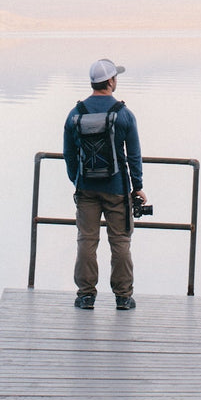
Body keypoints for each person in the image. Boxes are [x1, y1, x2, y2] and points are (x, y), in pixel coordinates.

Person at [63, 58, 149, 310]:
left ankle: (86, 295)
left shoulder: (75, 113)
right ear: (110, 81)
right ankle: (123, 297)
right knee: (120, 242)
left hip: (86, 189)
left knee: (87, 241)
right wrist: (138, 186)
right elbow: (133, 155)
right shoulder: (123, 114)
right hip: (117, 189)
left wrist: (77, 179)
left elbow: (69, 154)